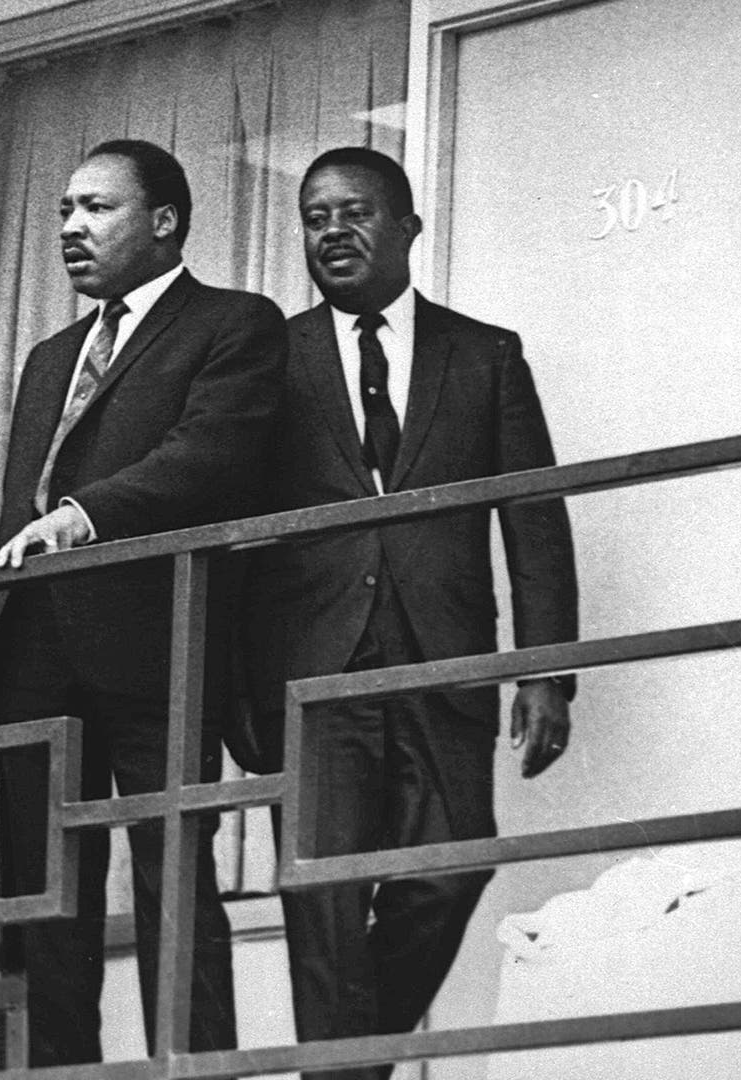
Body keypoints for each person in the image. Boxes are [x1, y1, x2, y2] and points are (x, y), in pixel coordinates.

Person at [234, 146, 578, 1080]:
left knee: (451, 867)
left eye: (355, 212)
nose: (332, 231)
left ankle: (344, 1069)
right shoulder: (270, 357)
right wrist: (234, 690)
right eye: (314, 217)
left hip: (442, 659)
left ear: (408, 226)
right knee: (324, 901)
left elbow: (533, 518)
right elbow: (226, 519)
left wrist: (547, 671)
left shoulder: (485, 354)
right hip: (313, 671)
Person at [0, 139, 287, 1065]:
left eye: (97, 209)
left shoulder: (233, 323)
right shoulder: (47, 356)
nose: (72, 228)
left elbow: (210, 454)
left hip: (162, 644)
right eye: (65, 210)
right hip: (37, 650)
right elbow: (14, 506)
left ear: (164, 220)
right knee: (44, 898)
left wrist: (84, 517)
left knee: (172, 882)